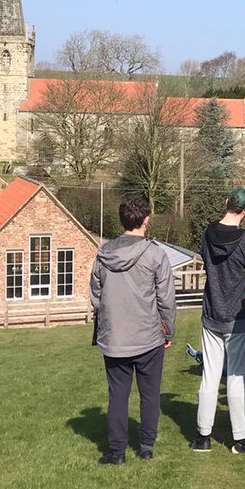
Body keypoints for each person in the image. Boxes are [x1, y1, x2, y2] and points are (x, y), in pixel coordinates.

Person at [90, 197, 177, 465]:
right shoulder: (155, 254)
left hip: (115, 336)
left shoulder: (104, 254)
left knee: (118, 394)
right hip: (148, 336)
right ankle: (146, 446)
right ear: (146, 220)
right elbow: (166, 298)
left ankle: (117, 451)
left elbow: (96, 295)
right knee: (150, 394)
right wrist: (168, 330)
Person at [192, 188, 245, 454]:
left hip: (212, 311)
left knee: (209, 375)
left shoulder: (207, 234)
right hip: (239, 316)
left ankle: (203, 437)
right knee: (238, 377)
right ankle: (241, 439)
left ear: (226, 203)